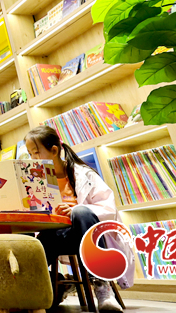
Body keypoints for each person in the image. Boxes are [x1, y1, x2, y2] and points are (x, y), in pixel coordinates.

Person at [24, 126, 130, 312]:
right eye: (30, 154)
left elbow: (108, 208)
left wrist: (74, 209)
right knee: (30, 243)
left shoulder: (84, 174)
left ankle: (102, 288)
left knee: (81, 212)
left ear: (54, 151)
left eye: (36, 152)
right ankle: (36, 290)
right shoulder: (36, 179)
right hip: (55, 235)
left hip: (85, 234)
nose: (33, 159)